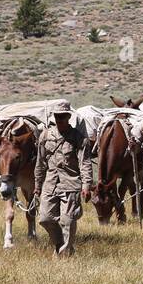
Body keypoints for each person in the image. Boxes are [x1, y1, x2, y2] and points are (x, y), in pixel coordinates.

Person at [30, 101, 93, 256]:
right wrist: (37, 185)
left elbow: (84, 163)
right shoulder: (45, 136)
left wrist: (86, 185)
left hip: (70, 182)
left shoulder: (78, 138)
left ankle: (64, 253)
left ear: (68, 117)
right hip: (50, 183)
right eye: (57, 117)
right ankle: (60, 244)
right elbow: (40, 163)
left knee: (68, 220)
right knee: (45, 218)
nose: (60, 120)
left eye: (63, 116)